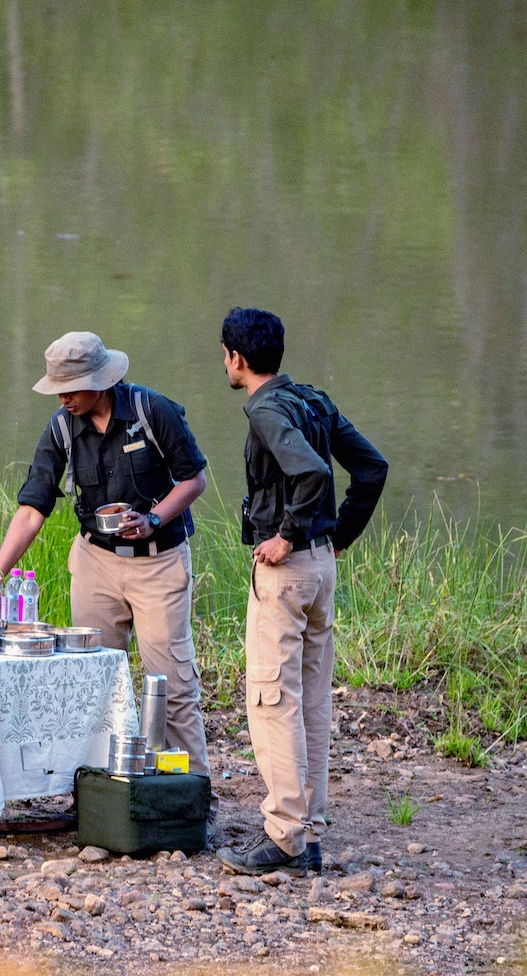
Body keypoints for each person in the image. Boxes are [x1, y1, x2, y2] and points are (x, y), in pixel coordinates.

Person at [0, 331, 213, 778]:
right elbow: (31, 509)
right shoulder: (61, 428)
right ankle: (100, 792)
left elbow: (193, 480)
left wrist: (153, 519)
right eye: (57, 389)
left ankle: (191, 792)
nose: (63, 398)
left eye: (71, 388)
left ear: (101, 381)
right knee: (92, 682)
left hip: (158, 562)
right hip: (95, 563)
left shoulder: (150, 411)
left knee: (171, 685)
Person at [215, 307, 388, 876]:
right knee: (310, 699)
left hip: (288, 572)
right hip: (321, 569)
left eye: (225, 354)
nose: (225, 362)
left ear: (237, 358)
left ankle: (285, 836)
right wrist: (339, 536)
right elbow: (372, 468)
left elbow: (312, 472)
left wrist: (287, 537)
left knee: (272, 699)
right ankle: (308, 832)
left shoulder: (266, 410)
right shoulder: (313, 400)